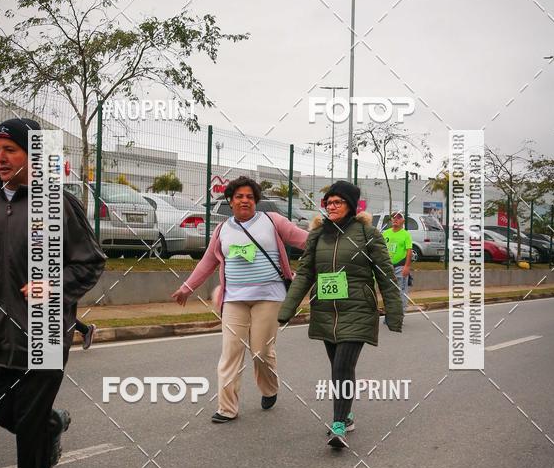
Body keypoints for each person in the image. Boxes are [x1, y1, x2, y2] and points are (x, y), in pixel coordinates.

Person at [0, 118, 106, 468]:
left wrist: (52, 286)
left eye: (10, 150)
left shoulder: (58, 202)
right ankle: (53, 422)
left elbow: (90, 263)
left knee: (26, 422)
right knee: (5, 413)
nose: (0, 158)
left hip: (45, 329)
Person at [277, 181, 403, 449]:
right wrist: (287, 309)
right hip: (325, 311)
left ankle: (338, 426)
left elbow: (385, 274)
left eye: (338, 202)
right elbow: (305, 273)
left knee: (342, 366)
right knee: (338, 368)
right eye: (328, 203)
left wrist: (394, 312)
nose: (331, 207)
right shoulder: (317, 235)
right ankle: (346, 414)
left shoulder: (367, 233)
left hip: (358, 309)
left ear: (351, 205)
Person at [171, 177, 308, 422]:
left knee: (261, 351)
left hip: (269, 297)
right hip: (234, 299)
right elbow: (207, 262)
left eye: (249, 197)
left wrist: (335, 243)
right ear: (231, 201)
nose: (245, 200)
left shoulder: (272, 221)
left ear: (256, 200)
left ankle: (269, 388)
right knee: (231, 353)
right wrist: (187, 288)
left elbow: (305, 240)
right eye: (239, 196)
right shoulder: (222, 229)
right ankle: (227, 408)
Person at [382, 212, 413, 315]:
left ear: (403, 221)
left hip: (400, 266)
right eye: (394, 217)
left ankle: (400, 315)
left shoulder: (406, 234)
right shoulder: (385, 233)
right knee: (388, 292)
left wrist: (407, 266)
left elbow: (409, 251)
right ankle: (390, 315)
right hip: (387, 267)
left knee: (400, 291)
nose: (395, 219)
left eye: (399, 218)